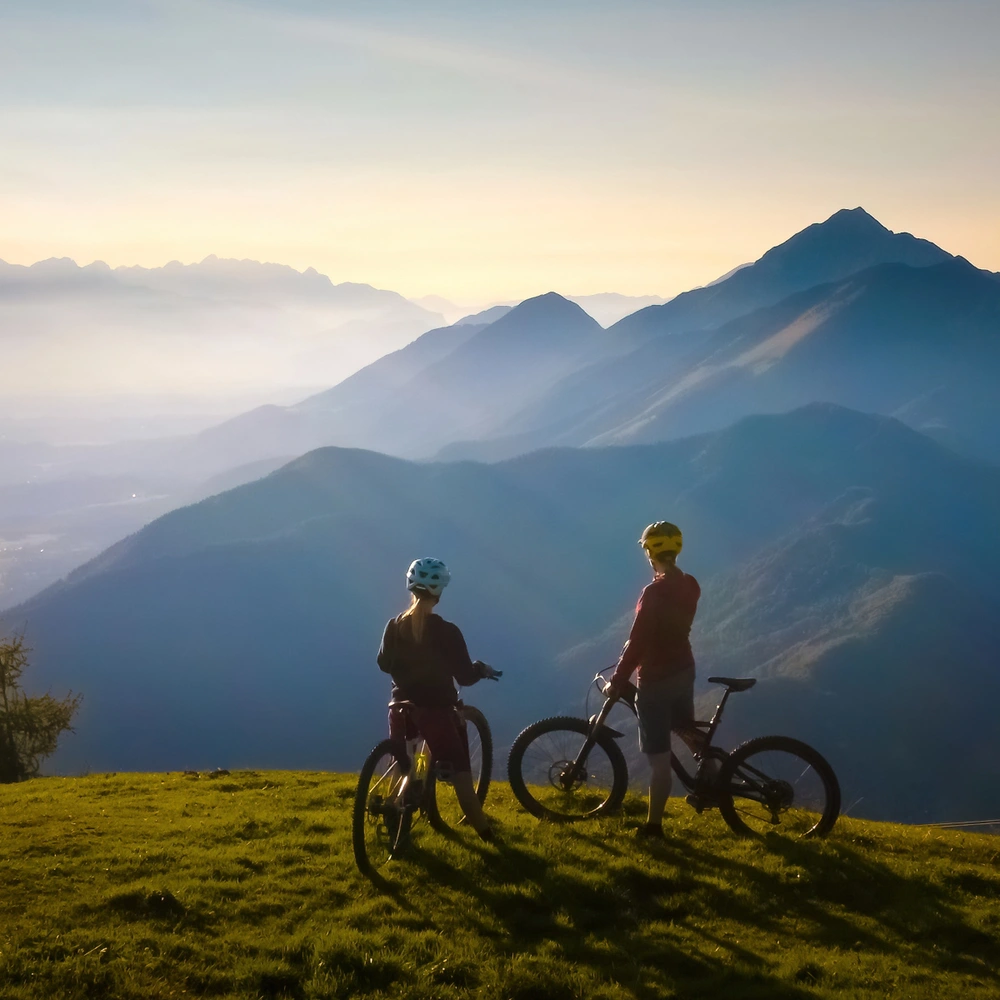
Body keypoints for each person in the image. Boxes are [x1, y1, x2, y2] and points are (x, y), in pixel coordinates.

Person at [377, 557, 498, 841]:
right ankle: (490, 838)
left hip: (400, 707)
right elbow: (465, 676)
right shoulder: (447, 632)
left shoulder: (394, 626)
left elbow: (383, 663)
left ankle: (393, 813)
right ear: (439, 592)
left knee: (402, 762)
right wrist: (481, 669)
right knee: (462, 781)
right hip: (437, 712)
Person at [606, 522, 703, 839]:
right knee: (689, 732)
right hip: (683, 669)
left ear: (650, 551)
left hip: (656, 679)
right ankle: (712, 784)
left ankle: (653, 827)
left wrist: (618, 678)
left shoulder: (652, 593)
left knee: (660, 760)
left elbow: (638, 642)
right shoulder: (691, 584)